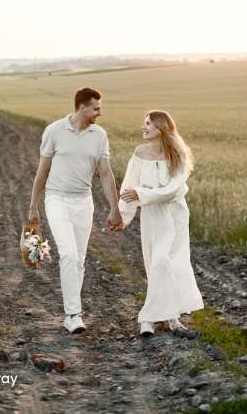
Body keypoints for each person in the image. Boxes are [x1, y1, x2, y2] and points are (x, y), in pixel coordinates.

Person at [28, 87, 123, 334]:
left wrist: (114, 208)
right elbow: (42, 171)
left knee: (79, 260)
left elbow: (105, 173)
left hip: (84, 202)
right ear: (82, 107)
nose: (99, 113)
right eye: (96, 108)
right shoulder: (54, 131)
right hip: (57, 200)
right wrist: (33, 207)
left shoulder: (99, 135)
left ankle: (72, 311)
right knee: (68, 255)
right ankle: (73, 314)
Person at [118, 110, 204, 336]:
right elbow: (128, 188)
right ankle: (165, 318)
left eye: (148, 124)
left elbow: (173, 190)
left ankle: (157, 319)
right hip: (152, 216)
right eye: (143, 123)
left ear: (161, 128)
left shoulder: (179, 155)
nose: (143, 127)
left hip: (174, 215)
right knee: (156, 265)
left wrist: (141, 194)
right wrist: (122, 216)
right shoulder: (139, 153)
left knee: (170, 265)